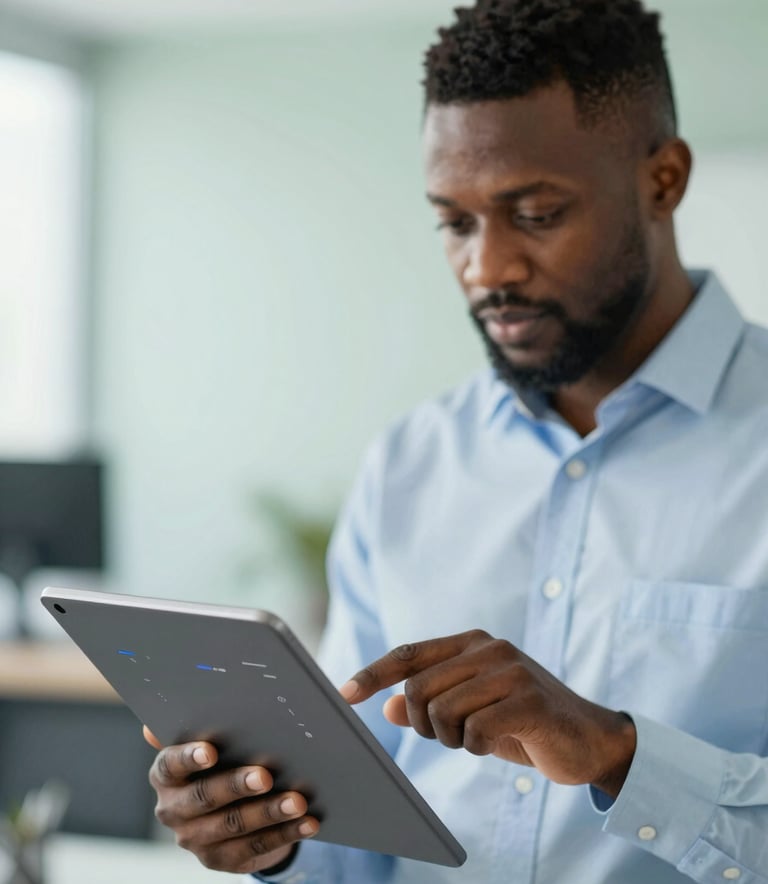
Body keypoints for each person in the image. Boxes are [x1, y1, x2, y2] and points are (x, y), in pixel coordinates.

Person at [145, 1, 768, 881]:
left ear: (662, 180)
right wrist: (269, 837)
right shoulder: (408, 463)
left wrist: (616, 757)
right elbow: (352, 847)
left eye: (537, 212)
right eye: (455, 222)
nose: (487, 268)